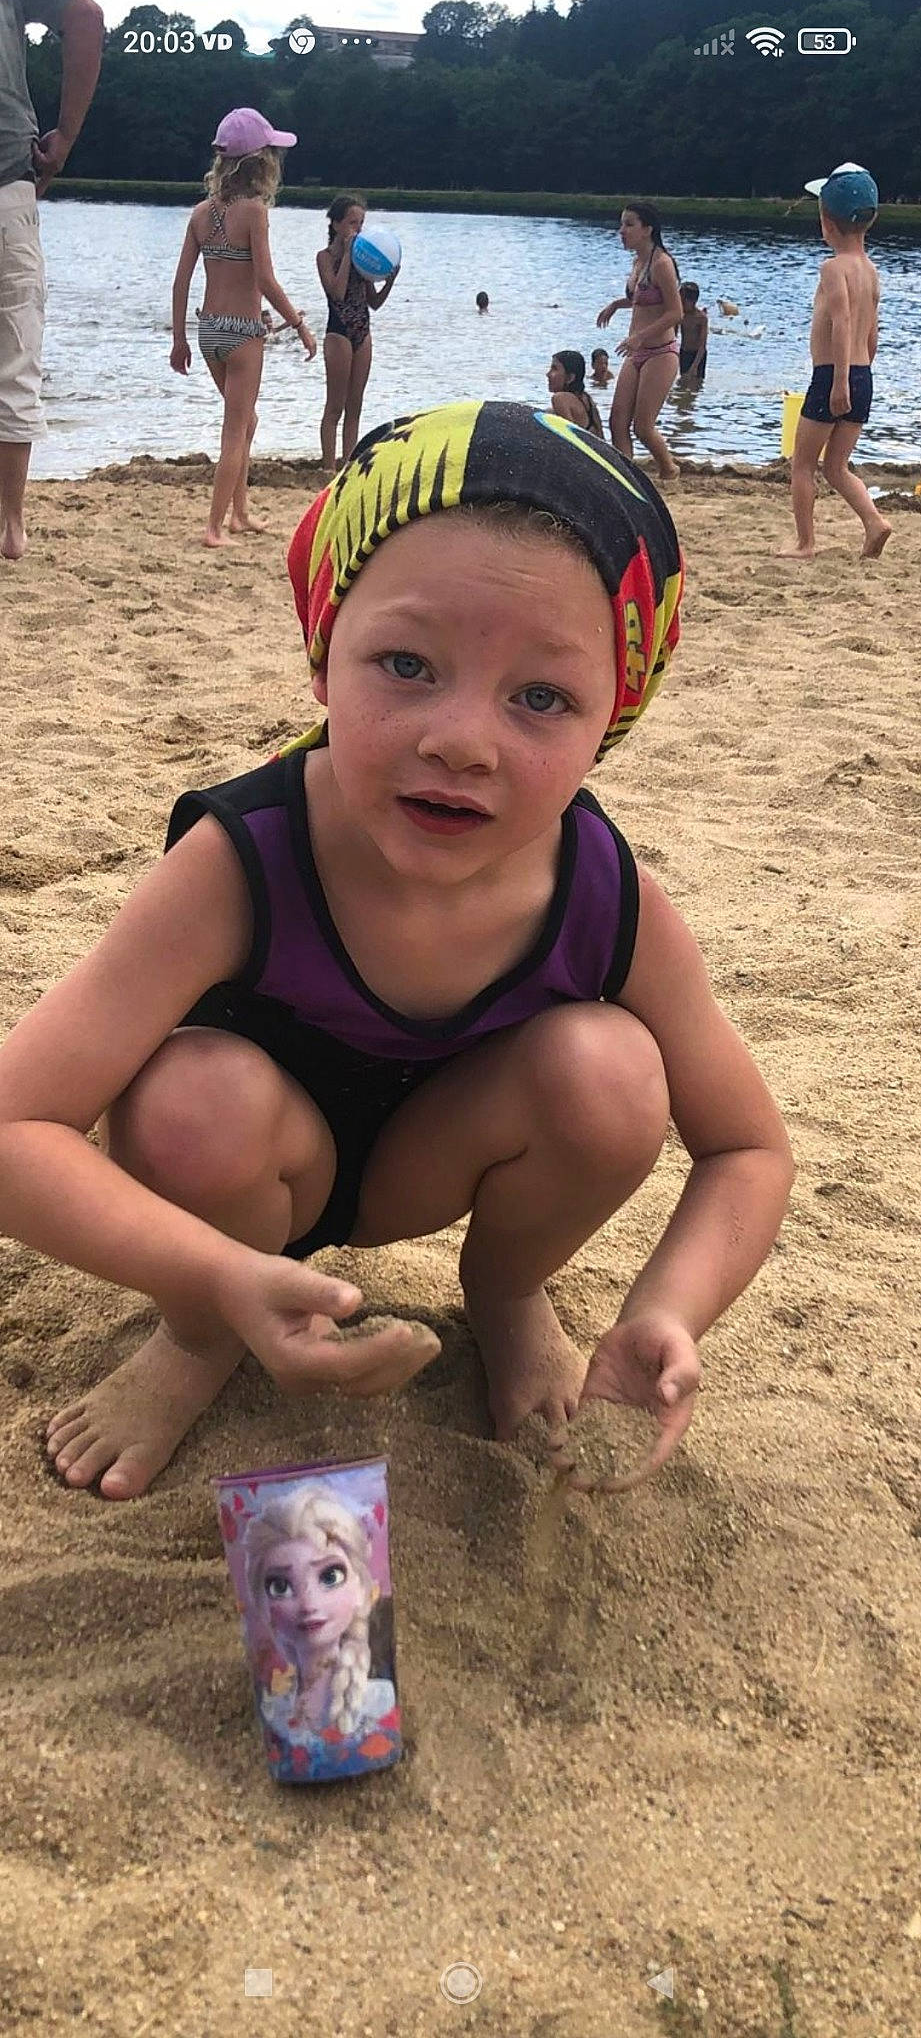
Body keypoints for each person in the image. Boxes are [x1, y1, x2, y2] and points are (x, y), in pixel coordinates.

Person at [0, 401, 794, 1503]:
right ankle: (195, 1339)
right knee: (192, 1100)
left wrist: (666, 1307)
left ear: (614, 715)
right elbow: (14, 1125)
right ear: (325, 655)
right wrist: (216, 1279)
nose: (461, 738)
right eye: (408, 663)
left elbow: (749, 1150)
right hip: (250, 1174)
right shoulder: (245, 859)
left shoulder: (607, 897)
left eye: (541, 697)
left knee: (614, 1073)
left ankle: (509, 1294)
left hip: (445, 1157)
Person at [170, 107, 317, 550]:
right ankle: (214, 528)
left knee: (245, 421)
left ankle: (240, 514)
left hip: (209, 329)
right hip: (242, 332)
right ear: (260, 162)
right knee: (235, 430)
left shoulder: (200, 212)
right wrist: (299, 325)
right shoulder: (254, 211)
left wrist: (179, 339)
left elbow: (181, 281)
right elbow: (266, 280)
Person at [0, 0, 102, 561]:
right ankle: (10, 527)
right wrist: (63, 136)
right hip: (6, 187)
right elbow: (85, 14)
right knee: (15, 365)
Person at [779, 164, 891, 562]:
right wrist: (860, 377)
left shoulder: (833, 268)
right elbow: (871, 331)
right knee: (838, 466)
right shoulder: (870, 270)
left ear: (826, 221)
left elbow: (841, 323)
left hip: (833, 376)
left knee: (803, 464)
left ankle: (806, 543)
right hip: (863, 374)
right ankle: (875, 522)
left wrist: (839, 381)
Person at [245, 1488, 397, 1740]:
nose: (308, 1604)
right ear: (261, 1603)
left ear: (360, 1587)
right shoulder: (274, 1711)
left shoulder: (381, 1701)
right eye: (280, 1587)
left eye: (330, 1576)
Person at [596, 202, 682, 481]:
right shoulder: (637, 262)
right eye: (622, 224)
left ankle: (669, 471)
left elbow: (675, 312)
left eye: (629, 224)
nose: (622, 231)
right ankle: (627, 478)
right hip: (636, 352)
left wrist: (640, 337)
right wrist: (616, 304)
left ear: (647, 229)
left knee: (643, 427)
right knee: (617, 421)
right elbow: (642, 300)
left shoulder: (662, 263)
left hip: (660, 352)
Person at [316, 194, 398, 478]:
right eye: (352, 222)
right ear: (337, 224)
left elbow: (373, 302)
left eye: (361, 223)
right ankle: (328, 467)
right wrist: (349, 254)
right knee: (335, 405)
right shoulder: (325, 258)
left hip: (362, 330)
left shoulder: (364, 261)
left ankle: (348, 465)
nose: (358, 229)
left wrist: (390, 281)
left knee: (356, 403)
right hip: (338, 332)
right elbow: (336, 292)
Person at [546, 350, 605, 437]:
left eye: (554, 369)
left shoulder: (559, 398)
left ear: (570, 378)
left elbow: (569, 438)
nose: (548, 374)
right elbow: (601, 437)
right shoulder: (587, 399)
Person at [677, 283, 708, 386]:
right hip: (684, 352)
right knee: (683, 382)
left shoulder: (701, 318)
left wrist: (694, 367)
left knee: (696, 383)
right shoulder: (680, 315)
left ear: (692, 301)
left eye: (682, 300)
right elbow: (673, 335)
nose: (679, 303)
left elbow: (702, 346)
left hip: (698, 355)